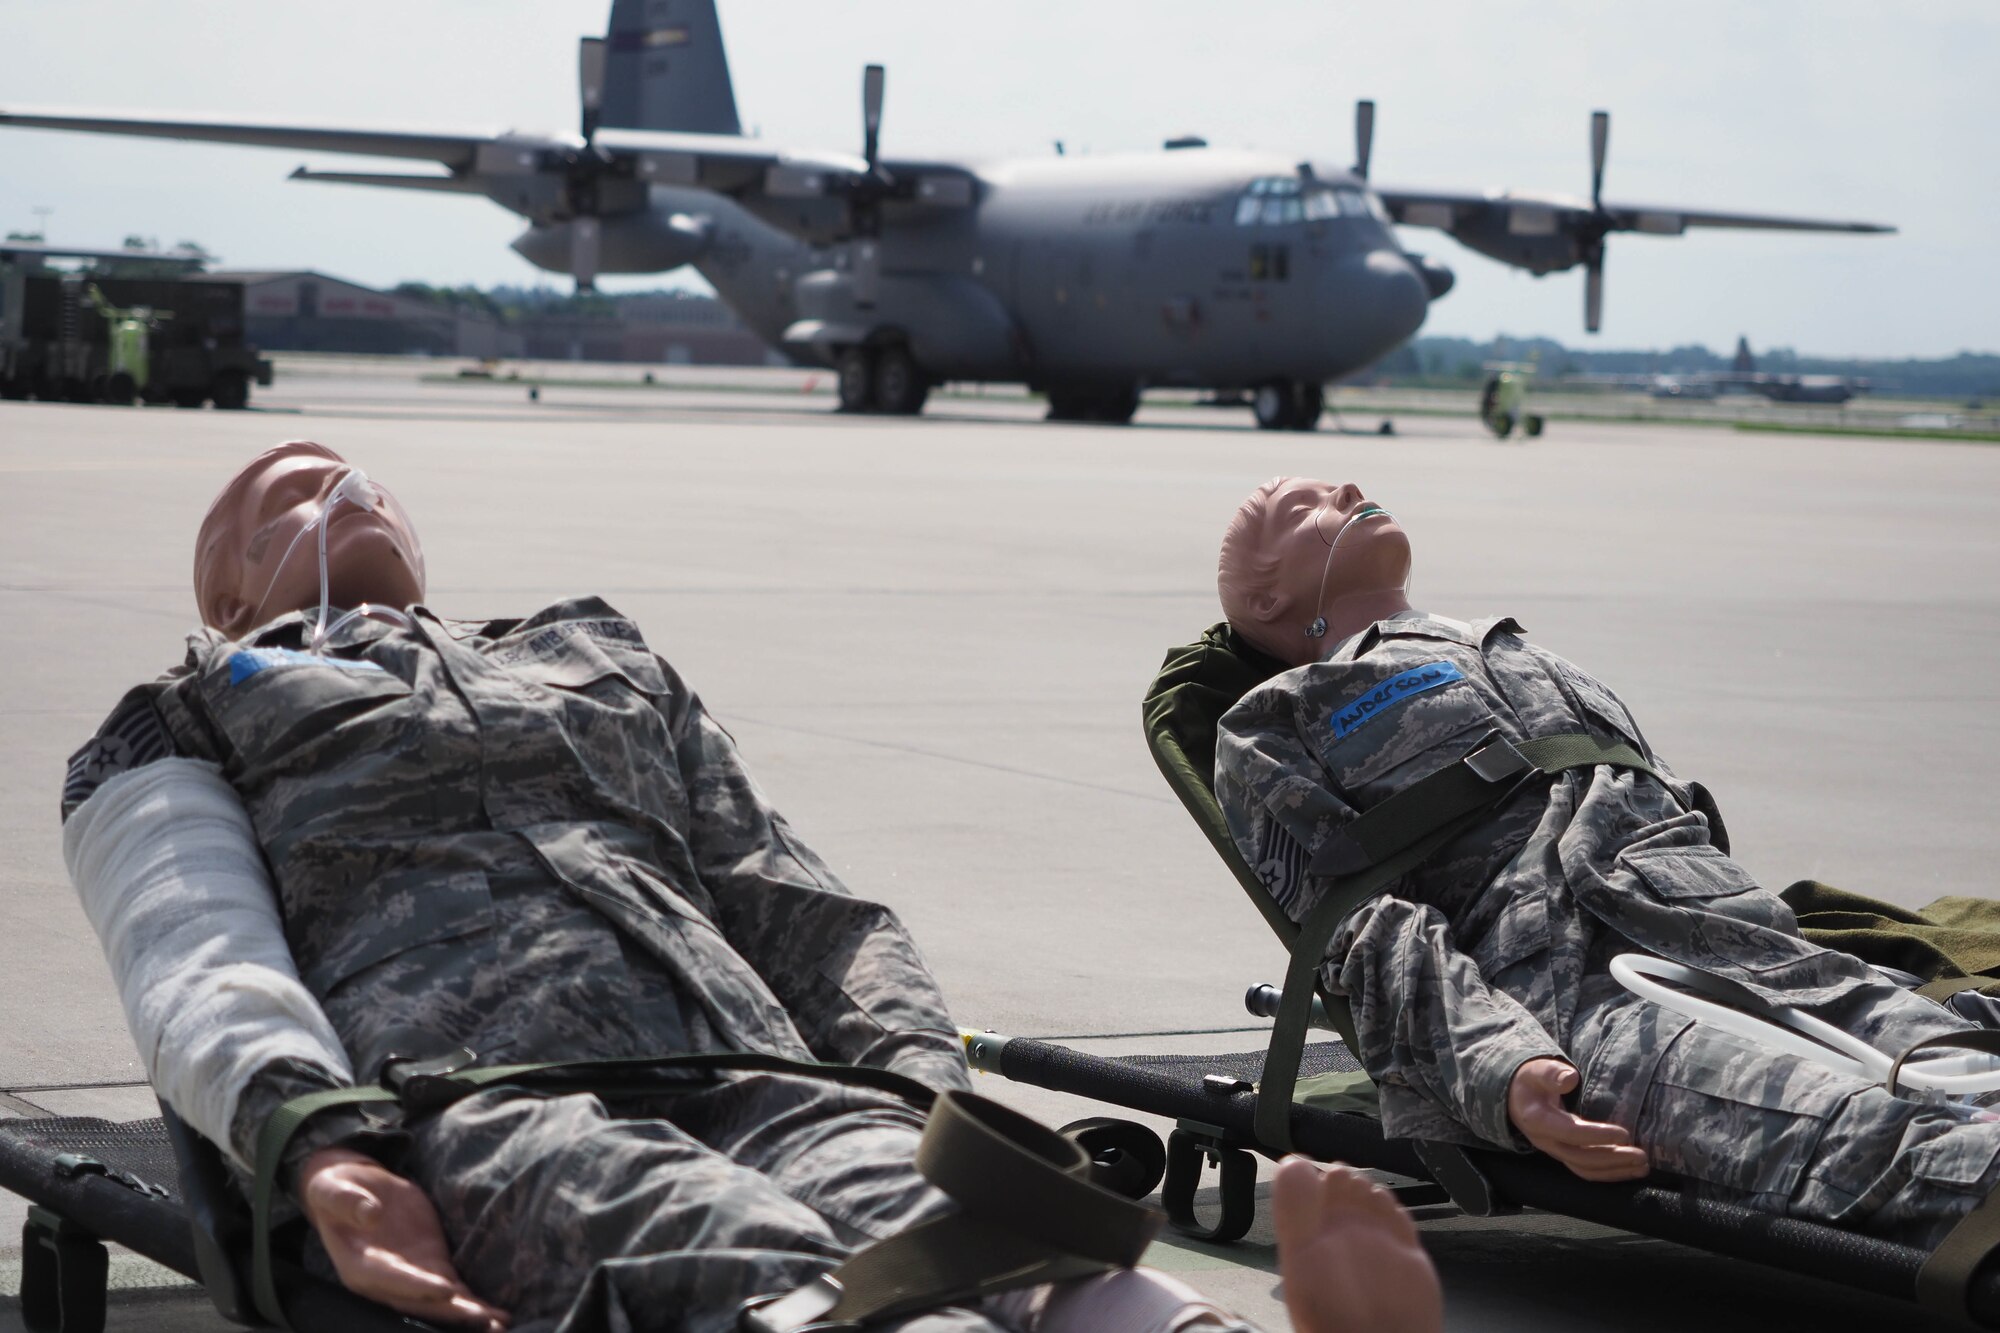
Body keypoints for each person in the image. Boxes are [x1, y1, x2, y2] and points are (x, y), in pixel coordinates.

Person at [58, 443, 1447, 1333]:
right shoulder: (188, 711)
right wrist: (324, 1150)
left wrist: (917, 1093)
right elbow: (196, 956)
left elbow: (793, 895)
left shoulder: (589, 654)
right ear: (224, 589)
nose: (343, 485)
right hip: (492, 1099)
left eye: (359, 477)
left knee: (984, 1237)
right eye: (287, 494)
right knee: (745, 1260)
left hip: (765, 1069)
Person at [1213, 476, 2000, 1246]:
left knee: (1965, 1059)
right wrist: (1501, 1065)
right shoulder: (1283, 717)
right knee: (1885, 1143)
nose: (1349, 488)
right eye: (1299, 507)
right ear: (1265, 600)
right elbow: (1364, 928)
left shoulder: (1519, 648)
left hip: (1750, 942)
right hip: (1574, 994)